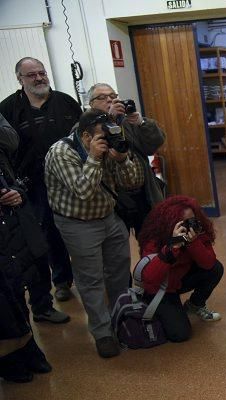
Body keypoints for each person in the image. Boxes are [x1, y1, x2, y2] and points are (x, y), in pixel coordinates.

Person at [44, 109, 144, 358]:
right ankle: (102, 333)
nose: (108, 139)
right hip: (77, 222)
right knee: (91, 279)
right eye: (103, 136)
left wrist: (121, 159)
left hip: (109, 217)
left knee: (120, 270)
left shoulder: (108, 141)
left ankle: (120, 318)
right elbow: (83, 191)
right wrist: (94, 158)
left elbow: (133, 183)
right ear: (86, 136)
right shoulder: (61, 152)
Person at [0, 57, 78, 319]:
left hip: (70, 182)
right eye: (31, 75)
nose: (39, 78)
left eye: (41, 73)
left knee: (76, 230)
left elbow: (82, 138)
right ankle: (60, 283)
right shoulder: (9, 108)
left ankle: (84, 277)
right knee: (44, 238)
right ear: (20, 79)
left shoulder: (66, 102)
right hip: (31, 188)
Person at [0, 112, 52, 382]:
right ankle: (10, 359)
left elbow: (11, 143)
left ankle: (27, 347)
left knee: (18, 282)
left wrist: (14, 193)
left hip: (12, 218)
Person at [137, 196, 224, 343]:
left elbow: (208, 263)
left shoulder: (197, 229)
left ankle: (194, 305)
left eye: (192, 220)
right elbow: (150, 278)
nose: (189, 225)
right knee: (180, 334)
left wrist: (193, 242)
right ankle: (161, 309)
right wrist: (173, 246)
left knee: (216, 268)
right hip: (161, 288)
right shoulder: (154, 237)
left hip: (180, 279)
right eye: (183, 223)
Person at [87, 83, 166, 234]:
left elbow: (154, 145)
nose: (109, 100)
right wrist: (108, 119)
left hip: (142, 193)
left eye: (113, 96)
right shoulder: (86, 126)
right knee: (118, 247)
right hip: (113, 199)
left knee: (153, 239)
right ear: (91, 104)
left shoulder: (126, 122)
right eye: (102, 97)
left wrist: (141, 123)